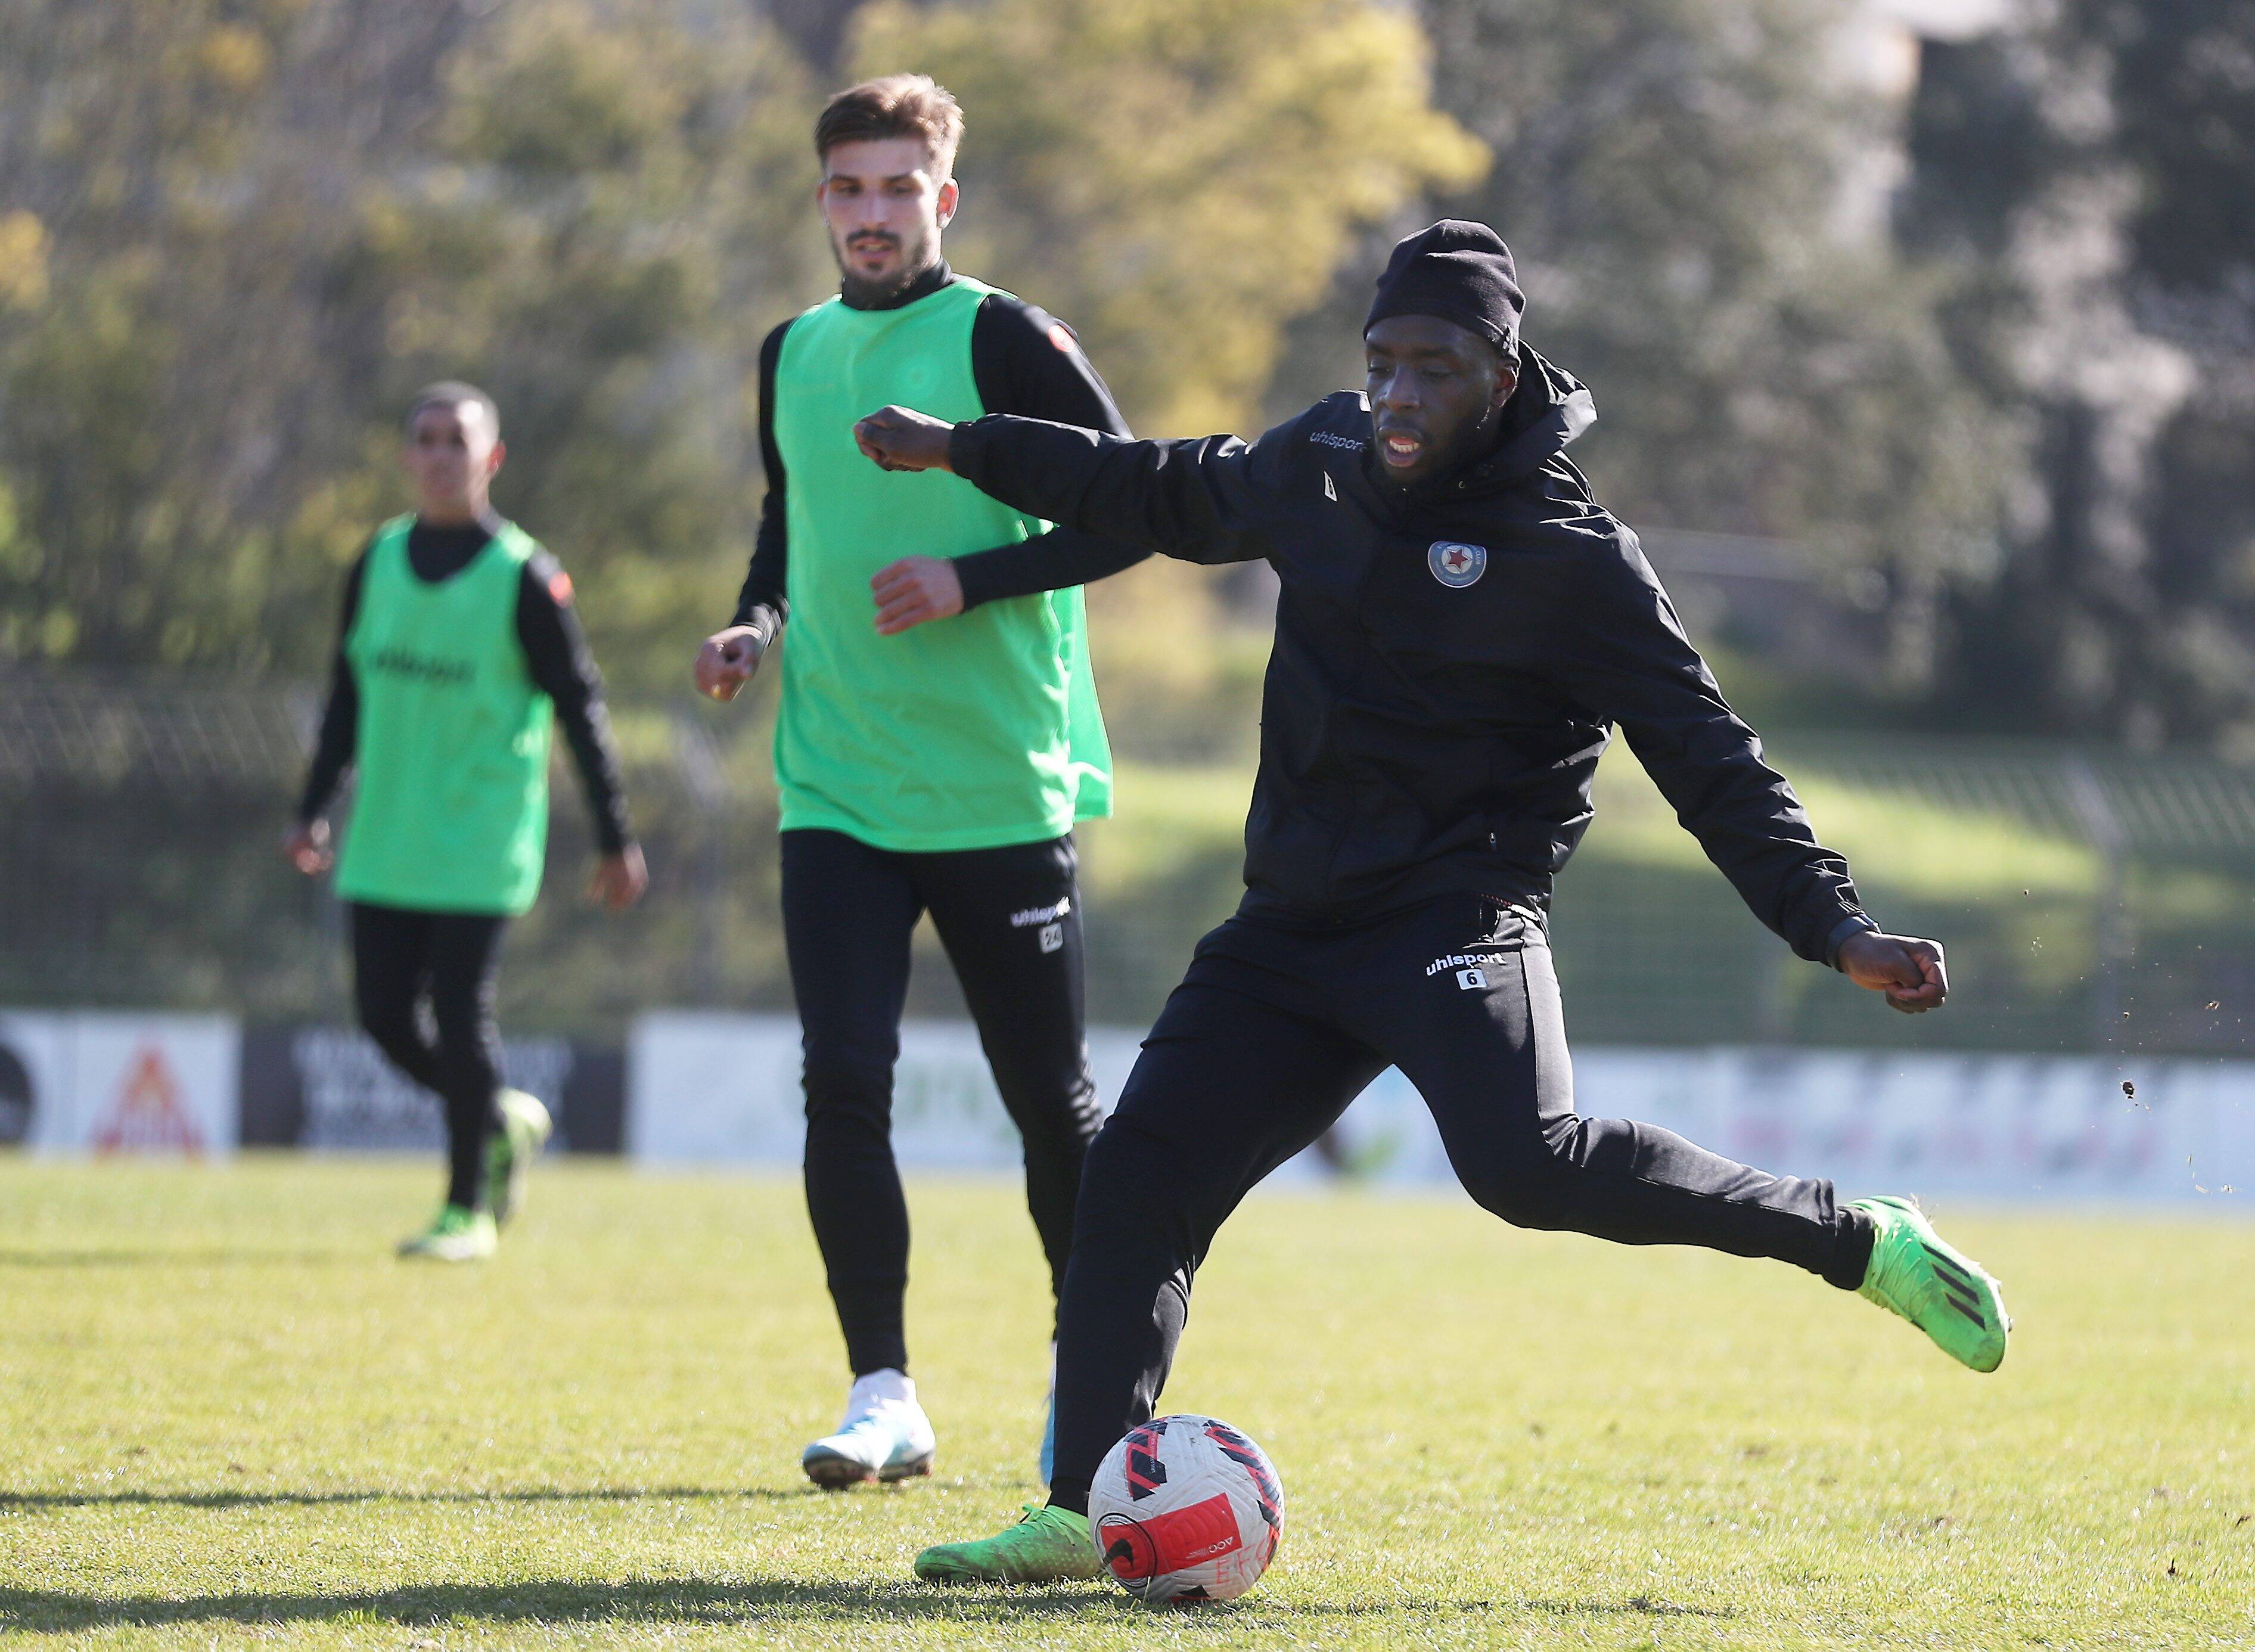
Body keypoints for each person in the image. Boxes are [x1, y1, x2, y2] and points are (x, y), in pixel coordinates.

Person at [849, 219, 2014, 1583]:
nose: (1400, 396)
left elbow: (1708, 756)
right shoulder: (1317, 464)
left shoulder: (1572, 558)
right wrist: (962, 446)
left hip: (1451, 923)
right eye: (1384, 362)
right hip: (1285, 928)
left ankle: (1858, 1237)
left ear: (1502, 377)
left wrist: (1834, 925)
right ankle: (1078, 1505)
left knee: (1526, 1169)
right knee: (1133, 1182)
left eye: (1436, 370)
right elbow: (1153, 488)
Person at [689, 74, 1148, 1490]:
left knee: (1047, 1101)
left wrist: (969, 577)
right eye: (847, 190)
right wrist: (757, 624)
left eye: (897, 189)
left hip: (996, 789)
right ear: (820, 201)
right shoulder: (791, 350)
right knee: (843, 1084)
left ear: (942, 199)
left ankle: (1095, 1400)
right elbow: (792, 517)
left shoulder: (1004, 340)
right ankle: (882, 1393)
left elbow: (1131, 506)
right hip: (832, 785)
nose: (870, 214)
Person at [287, 382, 647, 1262]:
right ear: (408, 457)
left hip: (482, 837)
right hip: (388, 833)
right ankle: (497, 1115)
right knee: (379, 1017)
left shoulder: (525, 576)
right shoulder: (375, 561)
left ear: (492, 460)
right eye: (426, 439)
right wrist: (312, 807)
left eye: (459, 440)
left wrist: (614, 834)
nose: (442, 454)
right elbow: (345, 695)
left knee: (458, 1007)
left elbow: (581, 706)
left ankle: (466, 1211)